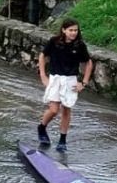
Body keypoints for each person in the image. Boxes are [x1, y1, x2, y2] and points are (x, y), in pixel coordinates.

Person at [36, 19, 93, 151]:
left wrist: (84, 82)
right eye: (71, 30)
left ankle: (62, 140)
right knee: (54, 110)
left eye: (75, 30)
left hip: (70, 80)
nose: (73, 33)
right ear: (63, 30)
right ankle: (42, 127)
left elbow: (88, 63)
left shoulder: (79, 45)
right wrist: (43, 76)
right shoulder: (54, 42)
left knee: (66, 110)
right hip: (55, 78)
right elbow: (42, 56)